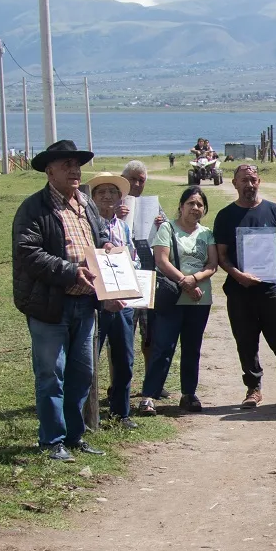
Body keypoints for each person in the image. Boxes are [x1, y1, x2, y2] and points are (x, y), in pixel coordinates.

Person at [12, 140, 110, 462]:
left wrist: (107, 248)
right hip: (50, 306)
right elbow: (28, 253)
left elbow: (99, 237)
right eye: (66, 164)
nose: (74, 170)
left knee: (82, 374)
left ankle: (74, 436)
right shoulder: (33, 208)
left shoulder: (86, 204)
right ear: (49, 170)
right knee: (51, 374)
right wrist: (71, 271)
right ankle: (52, 441)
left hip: (85, 305)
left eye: (77, 165)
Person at [213, 164, 276, 408]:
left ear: (259, 181)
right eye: (243, 180)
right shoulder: (225, 216)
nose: (249, 184)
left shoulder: (273, 210)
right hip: (240, 291)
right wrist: (238, 275)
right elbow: (221, 256)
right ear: (234, 183)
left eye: (253, 179)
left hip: (272, 289)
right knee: (246, 341)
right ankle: (253, 389)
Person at [139, 186, 220, 416]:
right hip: (171, 297)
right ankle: (148, 396)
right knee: (163, 346)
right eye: (191, 203)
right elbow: (161, 260)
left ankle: (188, 394)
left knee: (192, 347)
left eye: (200, 205)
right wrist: (185, 281)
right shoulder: (167, 228)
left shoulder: (207, 233)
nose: (195, 208)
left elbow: (212, 265)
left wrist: (195, 279)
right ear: (181, 206)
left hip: (200, 299)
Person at [88, 172, 140, 429]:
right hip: (97, 302)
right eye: (101, 192)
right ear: (93, 197)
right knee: (89, 361)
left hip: (124, 303)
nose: (107, 196)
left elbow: (134, 257)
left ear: (120, 196)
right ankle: (88, 415)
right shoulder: (87, 225)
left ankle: (121, 413)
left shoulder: (124, 226)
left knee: (124, 360)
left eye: (112, 192)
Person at [120, 160, 168, 396]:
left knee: (151, 335)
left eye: (141, 180)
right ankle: (118, 386)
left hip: (149, 276)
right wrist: (115, 216)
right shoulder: (112, 204)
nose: (137, 184)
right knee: (123, 336)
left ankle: (152, 385)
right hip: (122, 278)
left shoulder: (153, 206)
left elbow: (168, 236)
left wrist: (162, 225)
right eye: (132, 179)